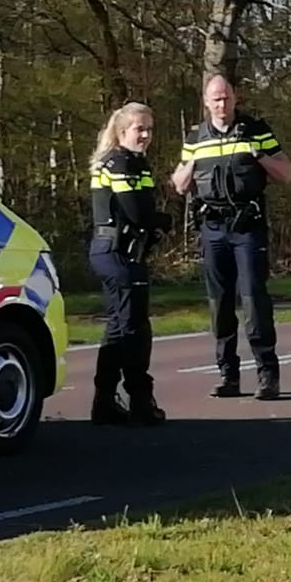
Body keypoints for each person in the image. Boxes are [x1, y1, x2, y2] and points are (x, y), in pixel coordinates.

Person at [171, 74, 291, 400]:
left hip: (247, 226)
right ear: (205, 101)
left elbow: (286, 173)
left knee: (253, 299)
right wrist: (191, 162)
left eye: (226, 98)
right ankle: (228, 376)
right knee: (219, 303)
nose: (221, 104)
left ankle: (268, 375)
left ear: (235, 99)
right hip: (212, 227)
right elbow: (180, 184)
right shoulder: (195, 136)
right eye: (215, 99)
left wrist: (259, 156)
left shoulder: (256, 129)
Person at [87, 101, 174, 425]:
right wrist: (164, 220)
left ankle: (105, 401)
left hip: (111, 251)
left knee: (118, 328)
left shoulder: (123, 161)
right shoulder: (122, 164)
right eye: (140, 128)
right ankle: (140, 401)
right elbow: (138, 213)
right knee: (135, 328)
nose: (146, 135)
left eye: (149, 129)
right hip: (119, 253)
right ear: (122, 131)